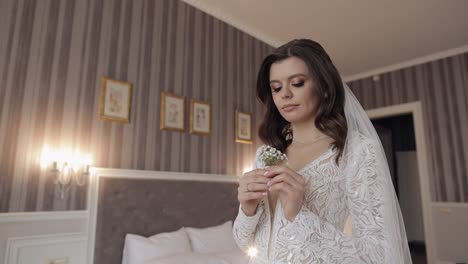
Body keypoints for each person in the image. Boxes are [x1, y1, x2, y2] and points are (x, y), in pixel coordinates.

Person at [232, 39, 412, 263]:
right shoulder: (266, 155)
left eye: (297, 83)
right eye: (276, 87)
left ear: (324, 88)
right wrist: (247, 210)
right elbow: (244, 242)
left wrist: (299, 215)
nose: (284, 94)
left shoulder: (356, 151)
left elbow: (379, 257)